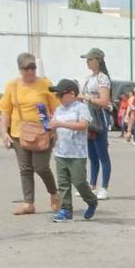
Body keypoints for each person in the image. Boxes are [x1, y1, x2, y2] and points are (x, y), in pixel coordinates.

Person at [0, 52, 61, 216]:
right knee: (25, 169)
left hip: (43, 132)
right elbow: (5, 110)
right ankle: (28, 203)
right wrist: (4, 132)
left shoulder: (45, 84)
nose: (30, 71)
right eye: (26, 68)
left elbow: (57, 109)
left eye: (33, 67)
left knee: (41, 167)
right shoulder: (12, 86)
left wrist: (54, 128)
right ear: (20, 69)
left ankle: (54, 193)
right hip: (19, 132)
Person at [46, 78, 98, 222]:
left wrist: (61, 123)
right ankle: (65, 210)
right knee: (63, 184)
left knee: (79, 181)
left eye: (60, 95)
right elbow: (54, 126)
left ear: (72, 94)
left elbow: (83, 125)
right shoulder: (58, 109)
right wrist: (49, 127)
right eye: (57, 95)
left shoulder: (81, 108)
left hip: (77, 154)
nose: (58, 98)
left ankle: (91, 201)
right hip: (61, 152)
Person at [80, 47, 113, 199]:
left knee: (102, 155)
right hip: (88, 117)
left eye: (90, 59)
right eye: (86, 60)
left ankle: (104, 187)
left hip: (99, 118)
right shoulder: (88, 78)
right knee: (92, 155)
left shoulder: (102, 78)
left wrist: (88, 98)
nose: (87, 62)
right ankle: (92, 185)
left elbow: (105, 101)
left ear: (97, 61)